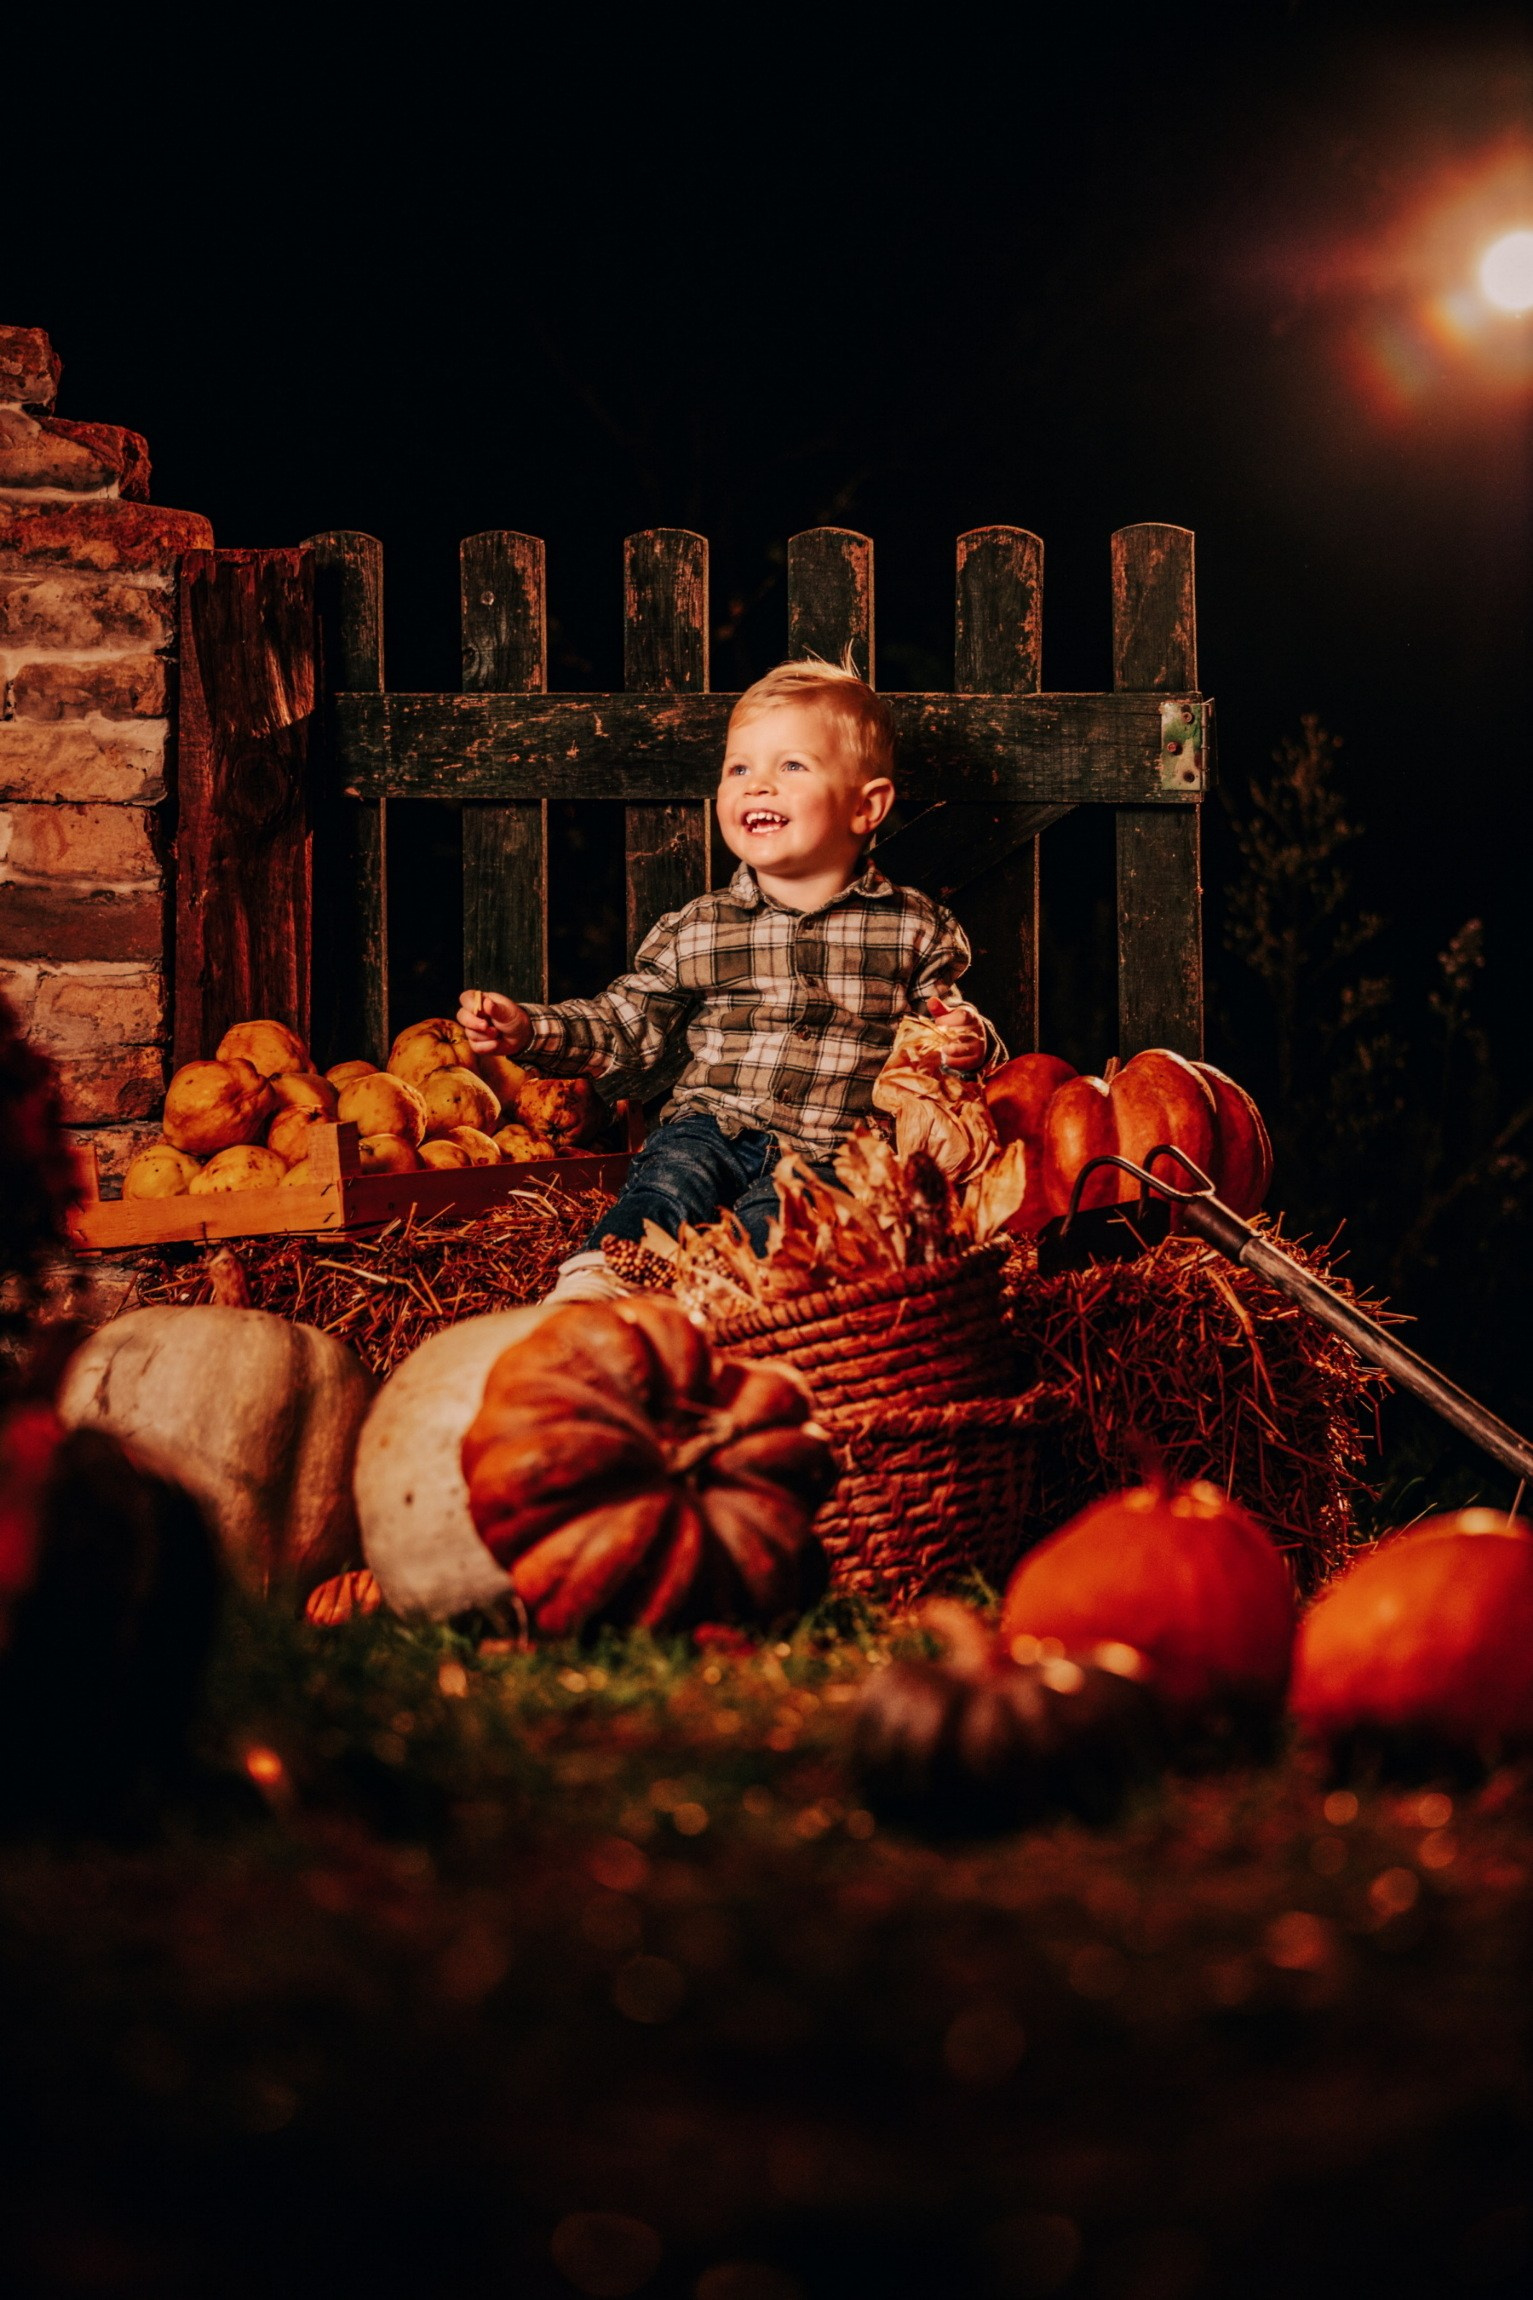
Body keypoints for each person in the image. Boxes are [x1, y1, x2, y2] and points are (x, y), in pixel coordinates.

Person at [458, 657, 1002, 1299]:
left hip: (839, 1148)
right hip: (711, 1123)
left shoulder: (915, 928)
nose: (757, 786)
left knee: (783, 1228)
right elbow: (626, 1021)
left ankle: (728, 1308)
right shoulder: (701, 925)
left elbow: (941, 1039)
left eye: (790, 766)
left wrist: (969, 1044)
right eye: (739, 768)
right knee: (668, 1182)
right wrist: (530, 1029)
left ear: (866, 806)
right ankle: (599, 1293)